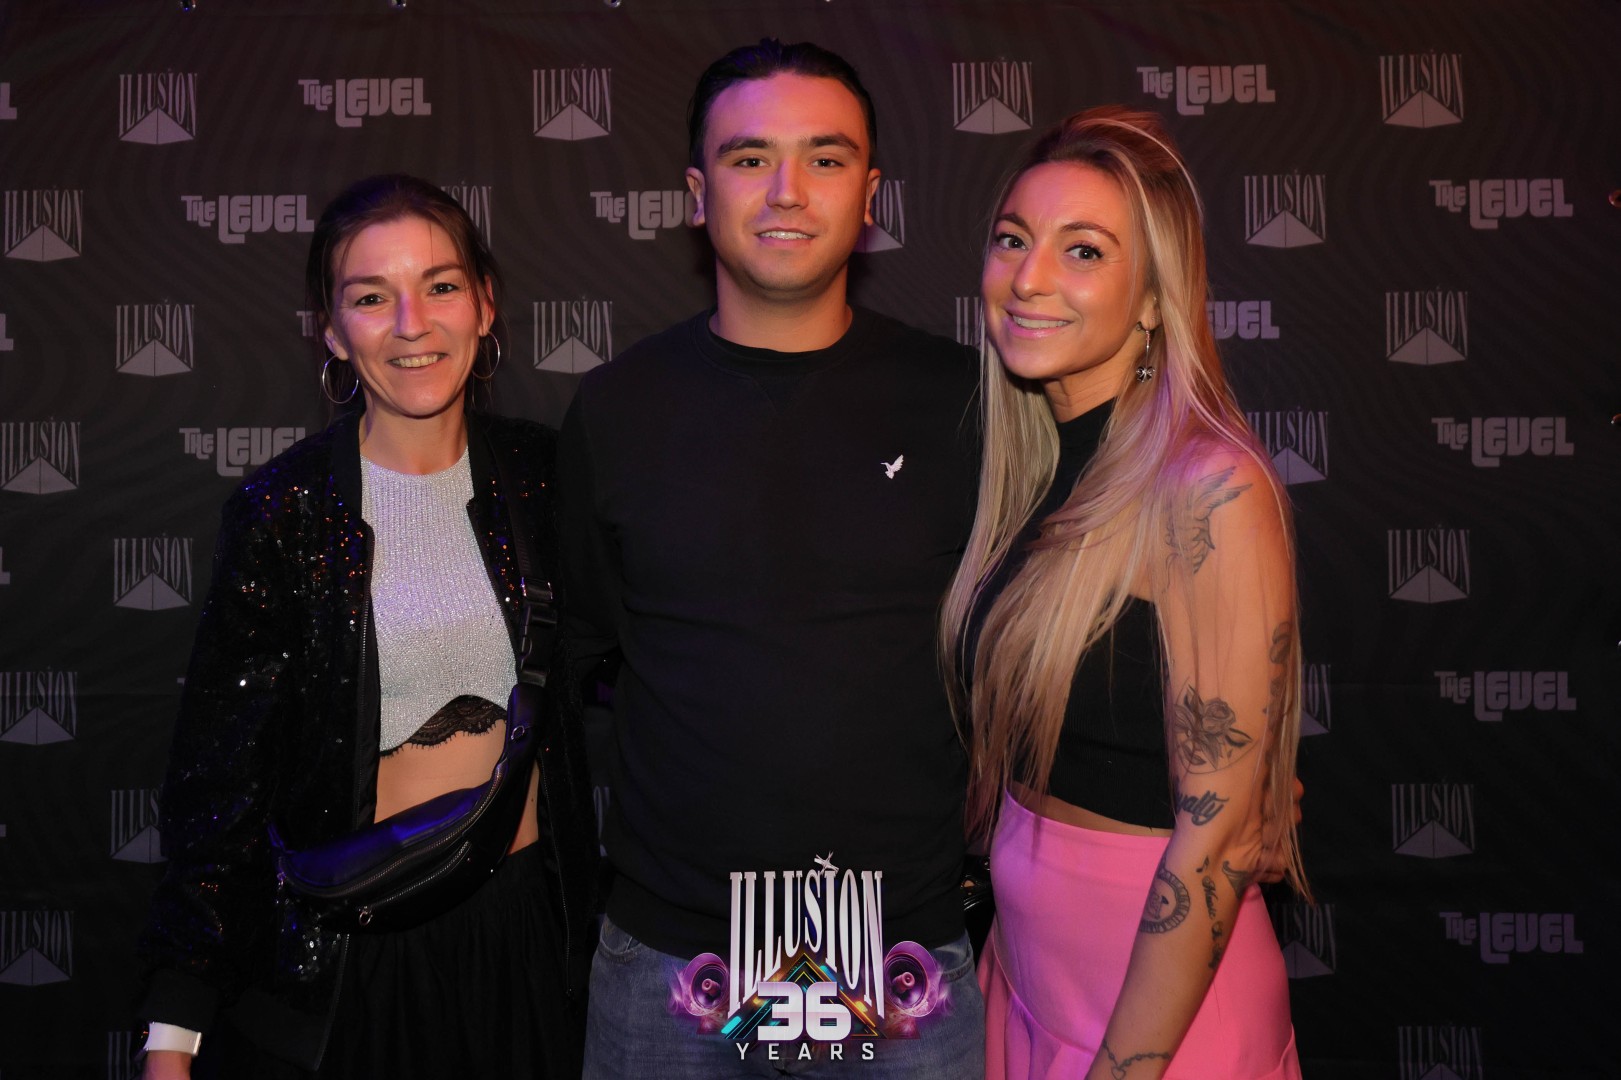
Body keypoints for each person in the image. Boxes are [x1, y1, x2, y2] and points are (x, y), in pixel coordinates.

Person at [559, 40, 985, 1078]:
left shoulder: (968, 404)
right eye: (749, 158)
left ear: (870, 193)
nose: (786, 190)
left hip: (894, 949)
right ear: (695, 194)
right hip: (676, 953)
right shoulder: (616, 410)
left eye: (824, 158)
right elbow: (586, 656)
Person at [135, 175, 595, 1079]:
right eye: (372, 298)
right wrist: (173, 1031)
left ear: (485, 305)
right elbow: (220, 782)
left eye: (440, 285)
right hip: (356, 954)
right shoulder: (284, 511)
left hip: (530, 944)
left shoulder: (549, 479)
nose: (412, 324)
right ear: (333, 331)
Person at [942, 107, 1307, 1079]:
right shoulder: (1023, 474)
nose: (1029, 278)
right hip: (1025, 977)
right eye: (1012, 239)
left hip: (1159, 1014)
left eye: (1083, 251)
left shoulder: (1206, 488)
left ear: (1152, 300)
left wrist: (1125, 1067)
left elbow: (1218, 842)